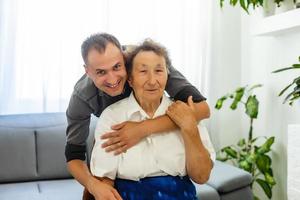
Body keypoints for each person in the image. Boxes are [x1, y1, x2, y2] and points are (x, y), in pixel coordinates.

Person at [65, 33, 210, 199]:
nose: (112, 79)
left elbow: (202, 109)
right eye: (101, 72)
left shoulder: (148, 64)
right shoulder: (83, 97)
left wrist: (141, 129)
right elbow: (73, 154)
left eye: (117, 67)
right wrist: (94, 185)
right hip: (114, 138)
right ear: (88, 71)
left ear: (125, 59)